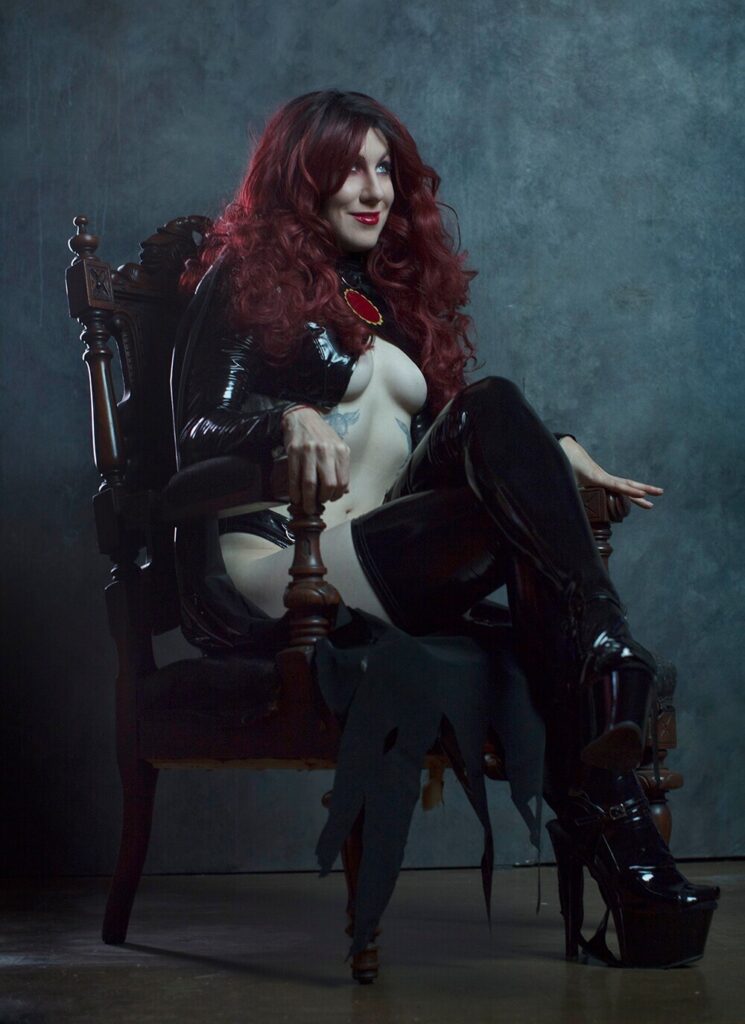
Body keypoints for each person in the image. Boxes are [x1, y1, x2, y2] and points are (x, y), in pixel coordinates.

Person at [171, 89, 718, 969]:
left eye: (384, 168)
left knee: (494, 409)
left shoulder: (379, 296)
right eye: (349, 168)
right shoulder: (242, 279)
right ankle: (614, 684)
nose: (373, 189)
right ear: (299, 178)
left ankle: (632, 862)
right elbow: (195, 428)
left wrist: (549, 455)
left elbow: (451, 436)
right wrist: (282, 420)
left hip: (379, 555)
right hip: (286, 567)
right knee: (548, 596)